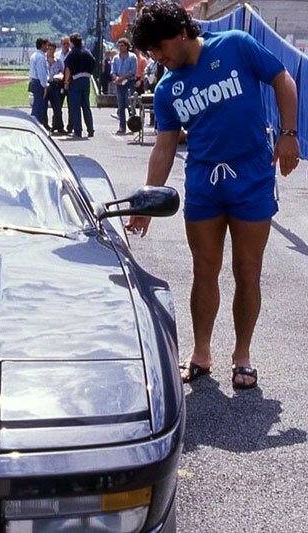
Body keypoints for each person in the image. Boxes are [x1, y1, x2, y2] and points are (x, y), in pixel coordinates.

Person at [126, 1, 301, 389]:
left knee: (247, 270)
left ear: (182, 32)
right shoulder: (167, 88)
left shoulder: (236, 44)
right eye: (150, 53)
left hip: (252, 177)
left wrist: (289, 134)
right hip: (205, 183)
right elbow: (164, 147)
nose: (157, 58)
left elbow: (282, 79)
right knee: (203, 270)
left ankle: (242, 356)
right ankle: (201, 352)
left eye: (159, 48)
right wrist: (148, 201)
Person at [63, 32, 96, 138]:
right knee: (86, 105)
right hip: (86, 79)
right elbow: (93, 63)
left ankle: (78, 130)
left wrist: (66, 82)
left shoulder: (72, 53)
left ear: (72, 43)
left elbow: (68, 69)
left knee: (75, 106)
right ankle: (90, 129)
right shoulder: (87, 52)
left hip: (75, 80)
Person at [111, 37, 137, 135]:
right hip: (119, 84)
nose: (121, 48)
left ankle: (133, 124)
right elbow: (113, 71)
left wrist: (122, 77)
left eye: (122, 46)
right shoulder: (116, 58)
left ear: (127, 46)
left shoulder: (132, 57)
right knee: (121, 105)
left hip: (129, 82)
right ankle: (122, 126)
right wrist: (116, 78)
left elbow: (133, 71)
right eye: (119, 46)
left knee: (129, 103)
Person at [45, 42, 66, 134]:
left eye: (52, 50)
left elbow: (62, 72)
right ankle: (45, 126)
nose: (51, 51)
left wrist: (59, 76)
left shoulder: (58, 61)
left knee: (57, 107)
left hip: (54, 85)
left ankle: (59, 126)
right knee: (43, 107)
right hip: (45, 84)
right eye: (49, 49)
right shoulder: (43, 60)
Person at [28, 38, 49, 126]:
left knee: (36, 104)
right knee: (39, 106)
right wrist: (45, 86)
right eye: (46, 45)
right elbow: (42, 73)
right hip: (39, 83)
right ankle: (36, 125)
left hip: (34, 81)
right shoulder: (40, 57)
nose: (47, 47)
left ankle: (33, 123)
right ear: (42, 45)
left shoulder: (34, 55)